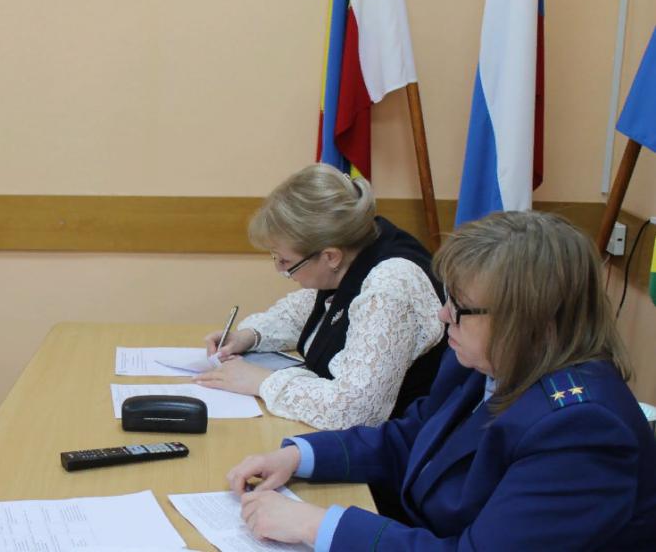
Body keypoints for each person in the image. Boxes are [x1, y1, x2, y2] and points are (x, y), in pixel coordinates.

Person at [226, 211, 656, 550]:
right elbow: (412, 439)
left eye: (462, 306)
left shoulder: (580, 431)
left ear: (528, 320)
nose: (443, 314)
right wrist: (299, 457)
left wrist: (317, 526)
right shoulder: (481, 360)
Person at [194, 164, 445, 431]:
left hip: (404, 443)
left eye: (285, 261)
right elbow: (306, 314)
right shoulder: (355, 249)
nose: (280, 269)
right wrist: (249, 336)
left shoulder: (390, 286)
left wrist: (262, 382)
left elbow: (356, 410)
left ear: (330, 256)